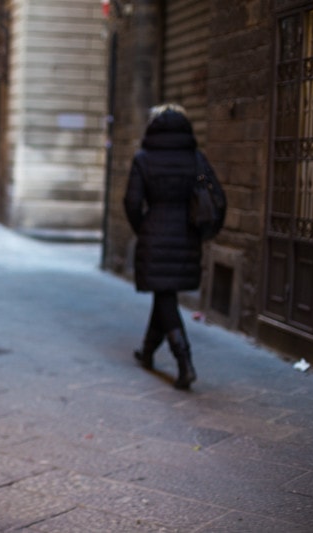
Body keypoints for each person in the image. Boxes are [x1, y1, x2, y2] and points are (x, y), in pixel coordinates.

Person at [123, 103, 225, 390]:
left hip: (155, 231)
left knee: (164, 294)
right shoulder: (196, 159)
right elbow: (218, 197)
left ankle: (184, 361)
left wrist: (143, 228)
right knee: (165, 294)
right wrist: (205, 231)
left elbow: (132, 202)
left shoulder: (144, 159)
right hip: (187, 234)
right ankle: (147, 351)